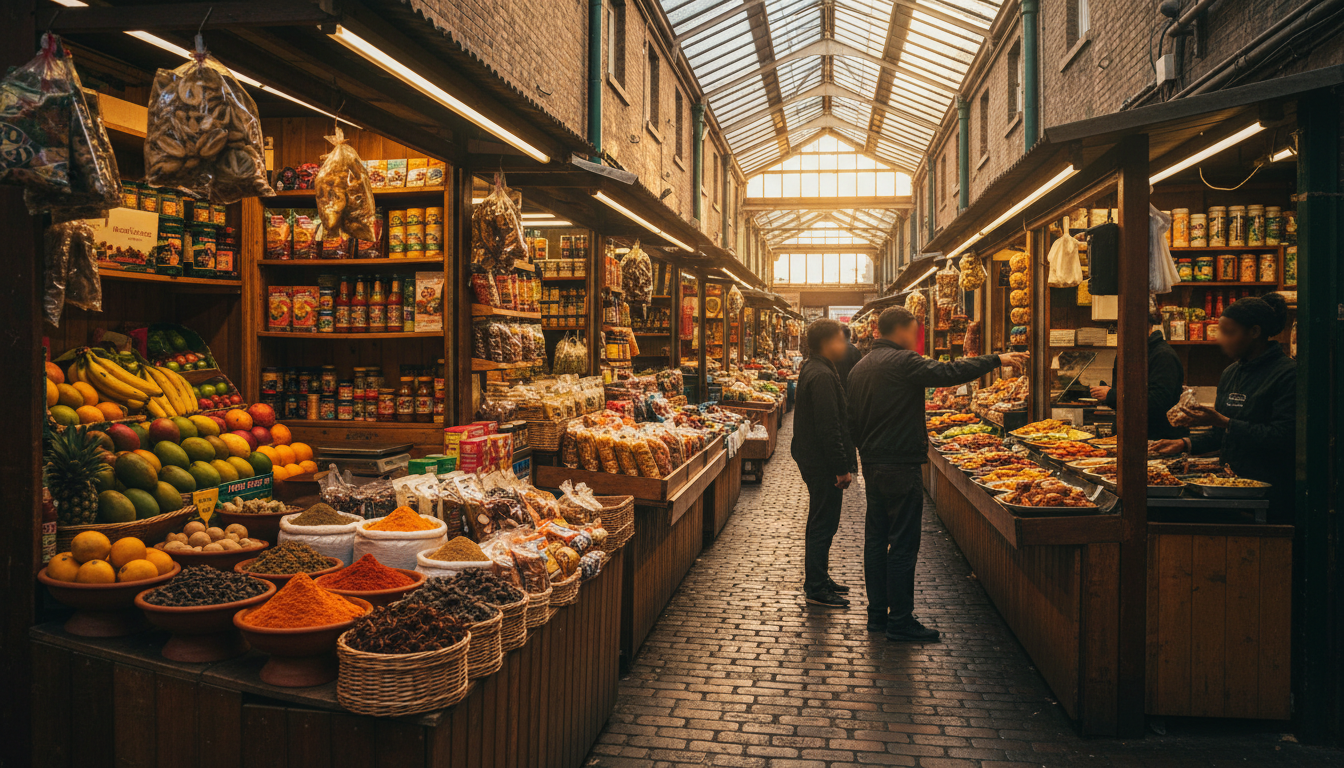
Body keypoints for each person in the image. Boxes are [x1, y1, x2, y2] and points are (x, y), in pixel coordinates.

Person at [847, 306, 1026, 641]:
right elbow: (949, 371)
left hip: (873, 465)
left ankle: (877, 616)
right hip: (900, 465)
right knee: (902, 543)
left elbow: (851, 419)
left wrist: (864, 452)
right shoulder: (903, 362)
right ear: (899, 330)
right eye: (914, 331)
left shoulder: (860, 367)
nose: (916, 338)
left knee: (876, 540)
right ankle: (900, 621)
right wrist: (996, 359)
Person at [1153, 294, 1296, 519]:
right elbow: (1220, 436)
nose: (1221, 339)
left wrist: (1224, 421)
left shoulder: (1287, 374)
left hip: (1268, 496)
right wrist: (1183, 443)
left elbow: (1284, 436)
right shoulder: (1231, 373)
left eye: (1229, 332)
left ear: (1255, 332)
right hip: (1228, 487)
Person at [790, 319, 858, 608]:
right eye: (840, 340)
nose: (844, 345)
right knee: (823, 523)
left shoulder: (816, 368)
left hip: (814, 458)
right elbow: (829, 426)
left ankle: (820, 577)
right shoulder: (822, 375)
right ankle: (816, 587)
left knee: (823, 522)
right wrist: (841, 467)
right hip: (821, 463)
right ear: (827, 342)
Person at [1089, 309, 1188, 440]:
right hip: (1128, 435)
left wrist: (1112, 395)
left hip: (1158, 439)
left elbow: (1158, 402)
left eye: (1125, 328)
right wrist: (1108, 395)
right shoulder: (1128, 353)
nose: (1121, 333)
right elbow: (1126, 400)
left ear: (1140, 326)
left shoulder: (1163, 356)